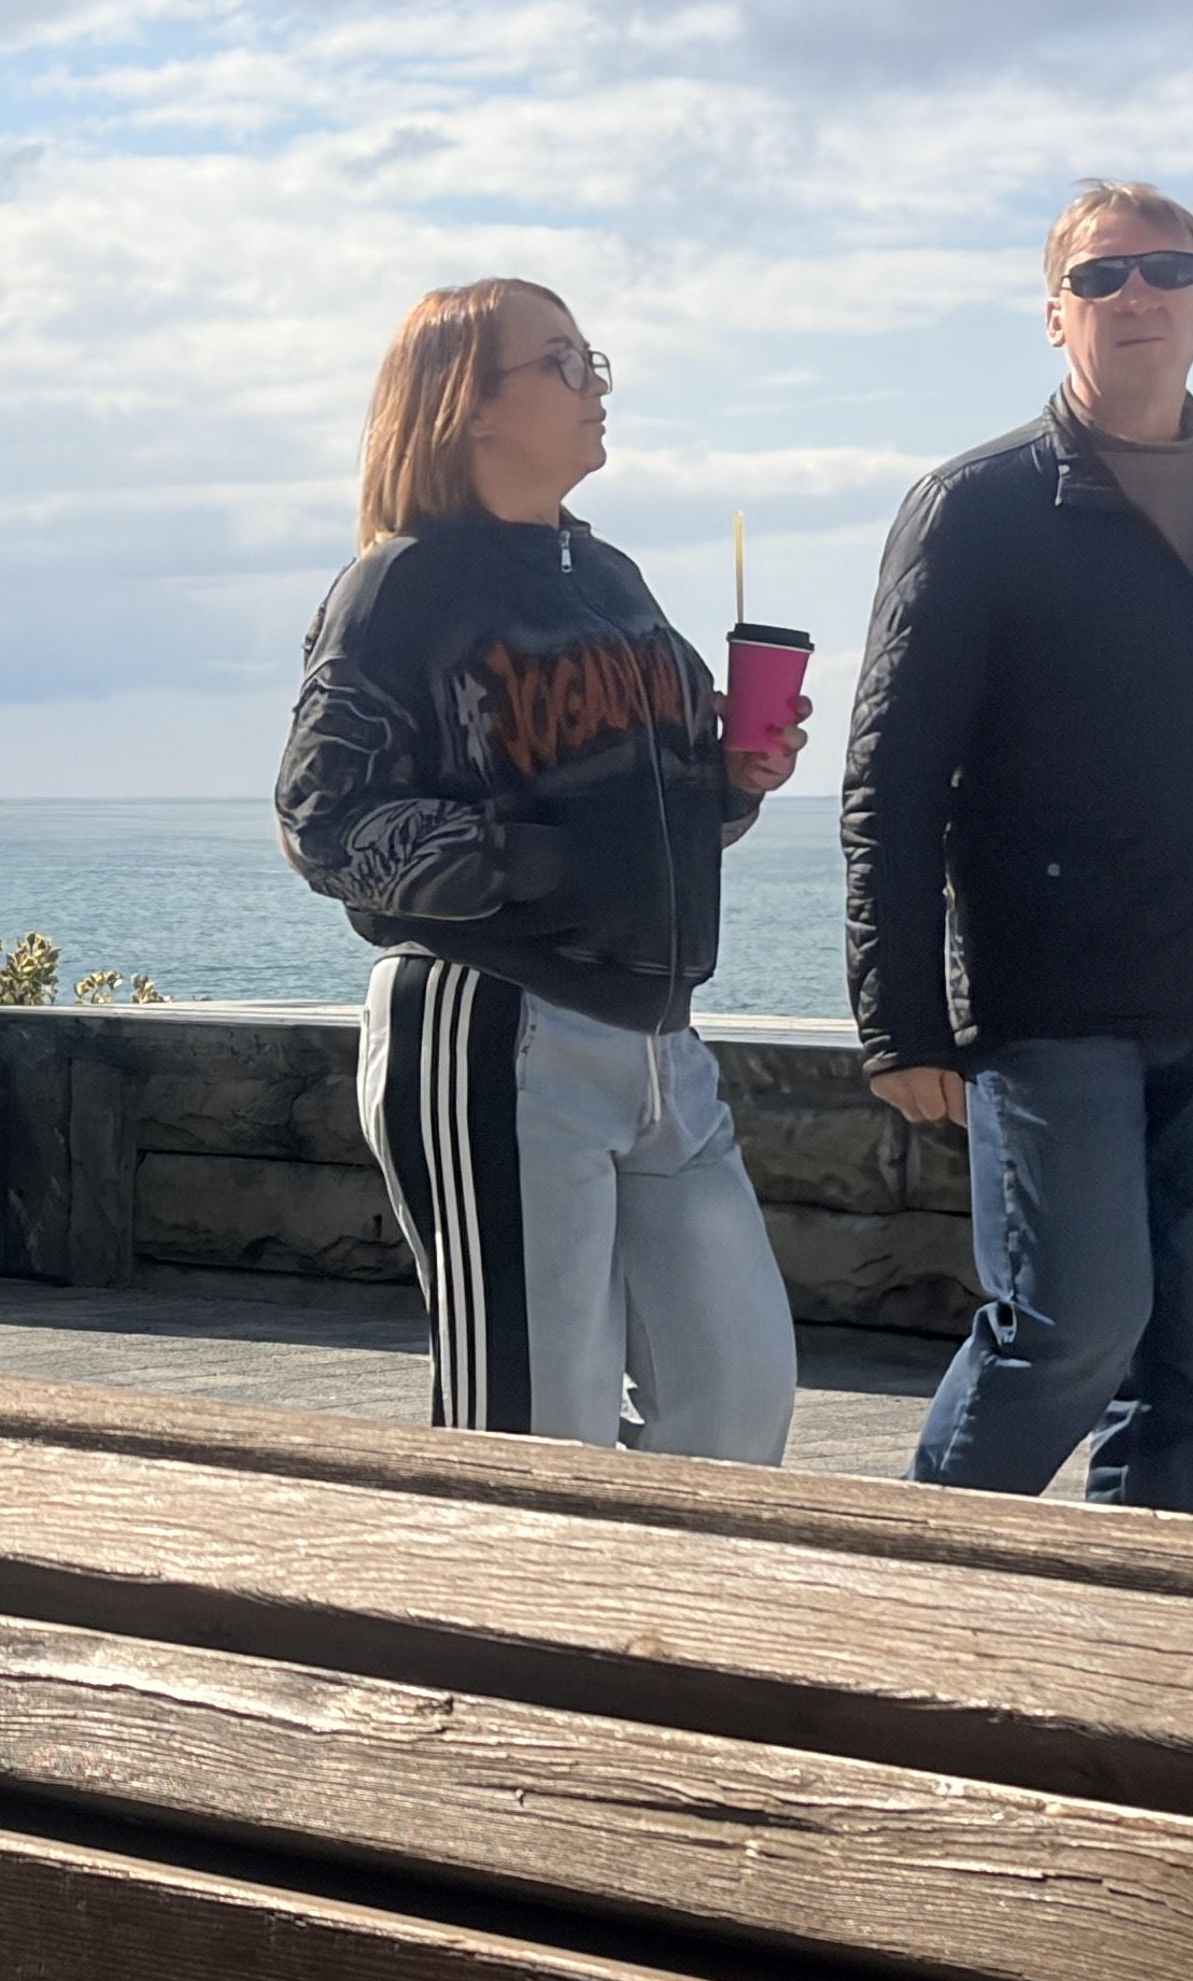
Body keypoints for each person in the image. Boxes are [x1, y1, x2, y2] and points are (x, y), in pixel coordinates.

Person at [843, 181, 1193, 1516]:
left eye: (1166, 271)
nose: (1136, 295)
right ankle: (917, 1581)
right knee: (1069, 1330)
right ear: (1057, 316)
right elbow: (891, 783)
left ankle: (1146, 1622)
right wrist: (900, 1023)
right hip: (1053, 1002)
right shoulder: (975, 507)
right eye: (1101, 277)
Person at [276, 278, 807, 1459]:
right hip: (494, 1028)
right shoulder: (402, 586)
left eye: (591, 359)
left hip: (663, 1042)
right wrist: (522, 860)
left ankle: (648, 1594)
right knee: (529, 1435)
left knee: (736, 1403)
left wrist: (729, 779)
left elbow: (658, 812)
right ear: (467, 405)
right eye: (561, 362)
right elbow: (324, 820)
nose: (593, 385)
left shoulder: (610, 578)